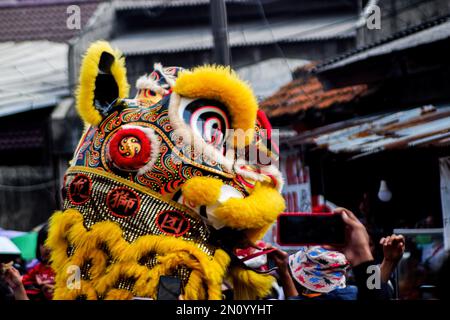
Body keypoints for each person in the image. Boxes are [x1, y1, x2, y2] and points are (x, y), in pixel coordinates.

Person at [269, 207, 394, 300]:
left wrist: (284, 274)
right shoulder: (357, 295)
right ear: (343, 270)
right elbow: (375, 289)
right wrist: (364, 254)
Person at [21, 224, 55, 300]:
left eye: (51, 244)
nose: (46, 248)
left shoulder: (69, 269)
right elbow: (23, 280)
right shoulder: (38, 269)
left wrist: (54, 289)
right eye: (43, 244)